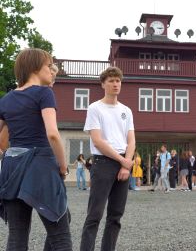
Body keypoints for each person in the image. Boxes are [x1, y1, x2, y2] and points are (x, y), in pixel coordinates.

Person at [0, 48, 72, 250]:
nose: (51, 70)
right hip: (40, 164)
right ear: (34, 68)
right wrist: (63, 166)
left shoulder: (6, 99)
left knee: (17, 234)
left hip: (11, 166)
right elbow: (52, 134)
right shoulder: (44, 93)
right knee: (60, 233)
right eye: (48, 66)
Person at [80, 66, 135, 251]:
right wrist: (123, 162)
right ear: (103, 84)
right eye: (111, 81)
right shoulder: (95, 108)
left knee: (115, 216)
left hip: (123, 163)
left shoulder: (126, 110)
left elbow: (131, 139)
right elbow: (97, 140)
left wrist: (126, 165)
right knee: (94, 215)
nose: (115, 84)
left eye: (118, 80)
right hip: (103, 163)